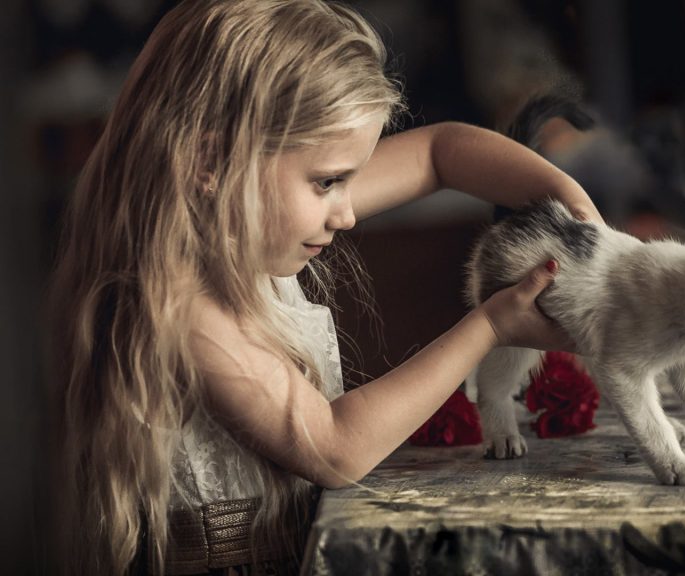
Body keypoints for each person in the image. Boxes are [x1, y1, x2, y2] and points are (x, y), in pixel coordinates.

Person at [46, 1, 600, 574]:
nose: (347, 212)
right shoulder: (178, 306)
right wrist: (491, 325)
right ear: (210, 162)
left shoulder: (254, 208)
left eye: (348, 180)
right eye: (329, 182)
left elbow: (441, 152)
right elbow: (335, 449)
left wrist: (567, 201)